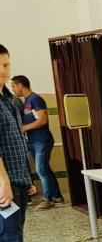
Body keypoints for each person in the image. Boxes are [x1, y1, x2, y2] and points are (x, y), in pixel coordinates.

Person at [0, 43, 52, 242]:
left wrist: (28, 178)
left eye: (6, 64)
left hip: (17, 180)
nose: (3, 70)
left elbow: (19, 142)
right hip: (3, 185)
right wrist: (4, 182)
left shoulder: (10, 99)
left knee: (15, 241)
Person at [10, 75, 63, 209]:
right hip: (33, 141)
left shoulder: (35, 99)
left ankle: (47, 199)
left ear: (20, 85)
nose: (13, 89)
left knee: (41, 169)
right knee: (45, 169)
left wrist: (23, 128)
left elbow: (42, 120)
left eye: (13, 86)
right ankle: (57, 196)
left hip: (42, 140)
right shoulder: (26, 101)